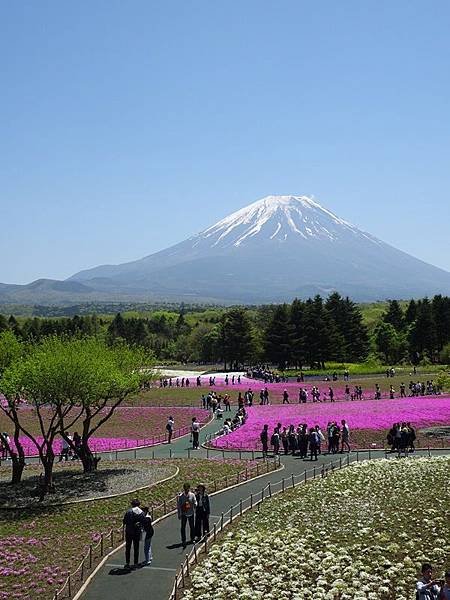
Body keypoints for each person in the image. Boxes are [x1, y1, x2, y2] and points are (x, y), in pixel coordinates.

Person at [123, 499, 144, 569]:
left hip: (129, 532)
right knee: (136, 547)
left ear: (132, 504)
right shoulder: (141, 512)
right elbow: (143, 522)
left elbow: (124, 521)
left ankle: (127, 563)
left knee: (128, 547)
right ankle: (135, 563)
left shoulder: (129, 512)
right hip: (137, 532)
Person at [177, 483, 197, 548]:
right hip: (184, 514)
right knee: (183, 528)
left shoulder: (192, 495)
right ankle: (184, 540)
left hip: (191, 513)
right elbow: (179, 506)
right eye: (185, 488)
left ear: (189, 488)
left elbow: (195, 501)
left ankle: (192, 538)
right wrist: (179, 514)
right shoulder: (181, 496)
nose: (186, 489)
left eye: (187, 488)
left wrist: (195, 504)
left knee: (192, 527)